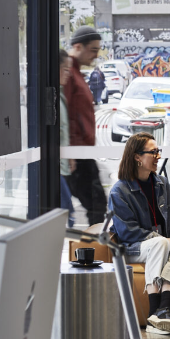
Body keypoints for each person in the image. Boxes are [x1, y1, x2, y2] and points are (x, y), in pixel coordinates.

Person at [109, 132, 170, 335]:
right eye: (153, 152)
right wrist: (168, 240)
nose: (158, 156)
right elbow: (128, 233)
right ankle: (154, 310)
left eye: (158, 151)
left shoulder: (162, 185)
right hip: (132, 247)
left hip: (157, 246)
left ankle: (164, 308)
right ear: (137, 157)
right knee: (164, 243)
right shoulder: (119, 191)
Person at [65, 26, 107, 226]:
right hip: (76, 155)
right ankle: (93, 252)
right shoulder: (68, 73)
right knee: (96, 204)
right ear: (77, 46)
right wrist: (70, 153)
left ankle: (92, 251)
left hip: (81, 152)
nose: (96, 55)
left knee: (95, 205)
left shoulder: (77, 73)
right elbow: (65, 116)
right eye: (93, 50)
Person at [57, 49, 76, 228]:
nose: (68, 74)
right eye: (65, 69)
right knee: (67, 215)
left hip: (61, 168)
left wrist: (69, 155)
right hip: (54, 170)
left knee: (66, 214)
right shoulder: (52, 99)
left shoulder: (60, 96)